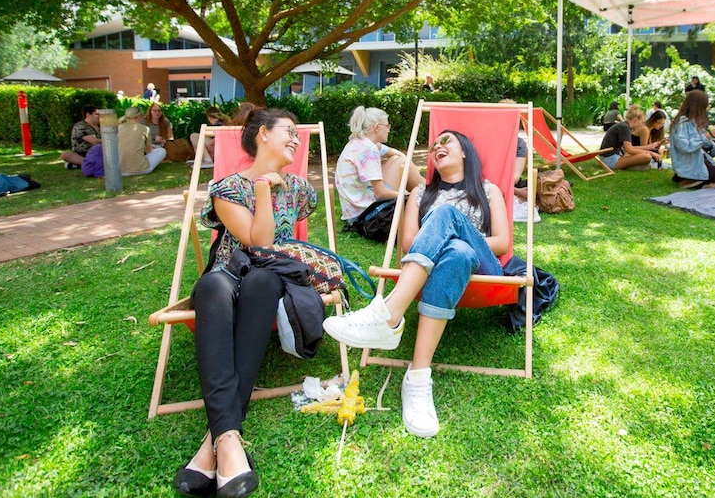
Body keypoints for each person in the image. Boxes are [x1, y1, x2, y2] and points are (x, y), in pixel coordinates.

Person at [324, 130, 508, 438]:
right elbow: (409, 242)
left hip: (485, 268)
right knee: (457, 252)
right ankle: (418, 379)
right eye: (435, 144)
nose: (437, 146)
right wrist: (452, 242)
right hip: (446, 264)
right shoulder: (422, 193)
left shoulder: (488, 190)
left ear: (465, 152)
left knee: (451, 223)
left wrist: (453, 229)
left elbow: (501, 243)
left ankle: (389, 313)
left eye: (446, 141)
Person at [172, 104, 316, 498]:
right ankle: (229, 440)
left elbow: (270, 251)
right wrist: (262, 188)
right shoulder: (226, 189)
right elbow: (254, 242)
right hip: (227, 277)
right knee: (213, 287)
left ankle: (215, 442)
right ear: (263, 134)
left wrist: (271, 188)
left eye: (298, 134)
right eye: (288, 130)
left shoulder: (302, 189)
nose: (295, 139)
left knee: (264, 280)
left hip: (270, 283)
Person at [335, 106, 423, 226]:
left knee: (399, 160)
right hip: (366, 215)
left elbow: (395, 153)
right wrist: (407, 195)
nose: (389, 129)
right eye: (387, 125)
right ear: (376, 127)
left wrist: (411, 170)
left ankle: (427, 191)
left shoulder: (361, 142)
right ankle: (430, 193)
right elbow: (380, 193)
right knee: (401, 163)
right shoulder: (368, 149)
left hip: (354, 213)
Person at [598, 104, 661, 170]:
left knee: (645, 156)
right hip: (610, 160)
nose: (641, 125)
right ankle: (633, 166)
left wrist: (649, 148)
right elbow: (630, 150)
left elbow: (629, 148)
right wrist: (651, 153)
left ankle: (636, 166)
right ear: (636, 120)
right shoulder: (625, 128)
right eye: (641, 122)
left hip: (611, 157)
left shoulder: (625, 126)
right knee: (647, 156)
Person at [117, 106, 167, 175]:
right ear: (139, 116)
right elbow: (148, 150)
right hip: (141, 169)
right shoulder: (145, 128)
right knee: (162, 151)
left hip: (121, 170)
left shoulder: (119, 127)